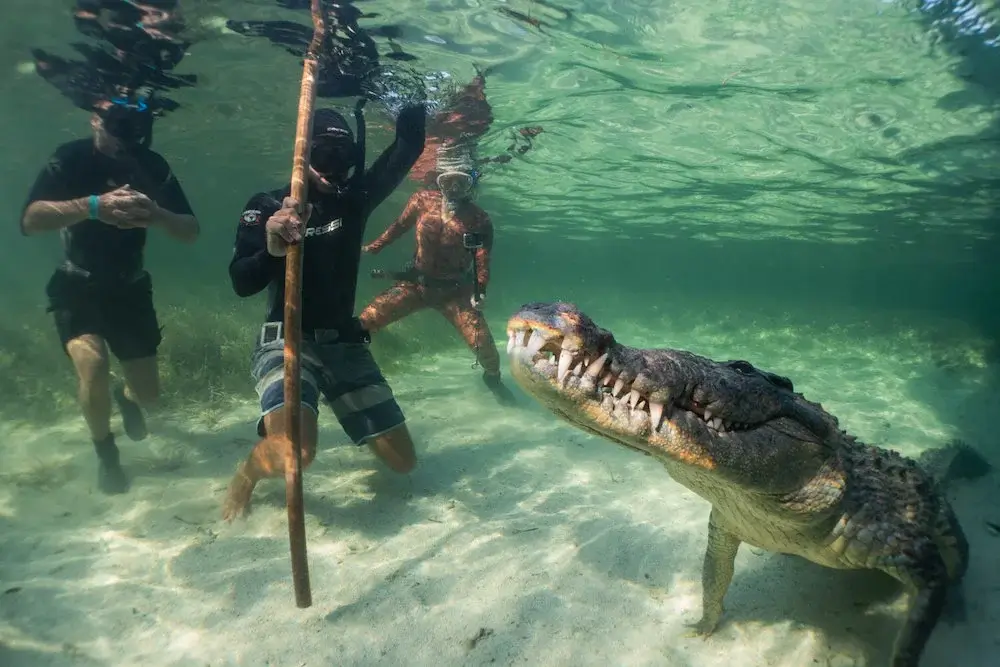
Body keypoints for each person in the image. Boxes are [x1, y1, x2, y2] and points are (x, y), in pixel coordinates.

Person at [224, 101, 427, 521]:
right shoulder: (267, 204)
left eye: (343, 156)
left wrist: (411, 100)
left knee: (405, 462)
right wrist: (272, 247)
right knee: (295, 453)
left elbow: (407, 148)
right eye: (322, 155)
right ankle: (247, 473)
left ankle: (289, 418)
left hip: (344, 346)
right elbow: (242, 282)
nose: (334, 167)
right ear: (303, 155)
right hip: (287, 340)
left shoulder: (355, 201)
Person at [19, 93, 200, 495]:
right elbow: (30, 220)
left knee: (150, 395)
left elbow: (189, 230)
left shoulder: (151, 165)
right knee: (94, 365)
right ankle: (106, 453)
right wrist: (92, 206)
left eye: (135, 129)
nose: (126, 138)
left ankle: (126, 395)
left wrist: (158, 214)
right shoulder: (70, 159)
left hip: (130, 288)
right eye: (117, 125)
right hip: (77, 285)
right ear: (95, 119)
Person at [360, 145, 517, 405]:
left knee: (486, 348)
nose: (454, 188)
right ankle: (349, 375)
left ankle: (493, 379)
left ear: (471, 183)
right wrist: (374, 247)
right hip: (416, 285)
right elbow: (399, 226)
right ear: (439, 180)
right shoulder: (422, 200)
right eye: (448, 181)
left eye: (461, 182)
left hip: (455, 292)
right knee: (364, 323)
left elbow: (482, 259)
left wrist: (480, 292)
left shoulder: (479, 219)